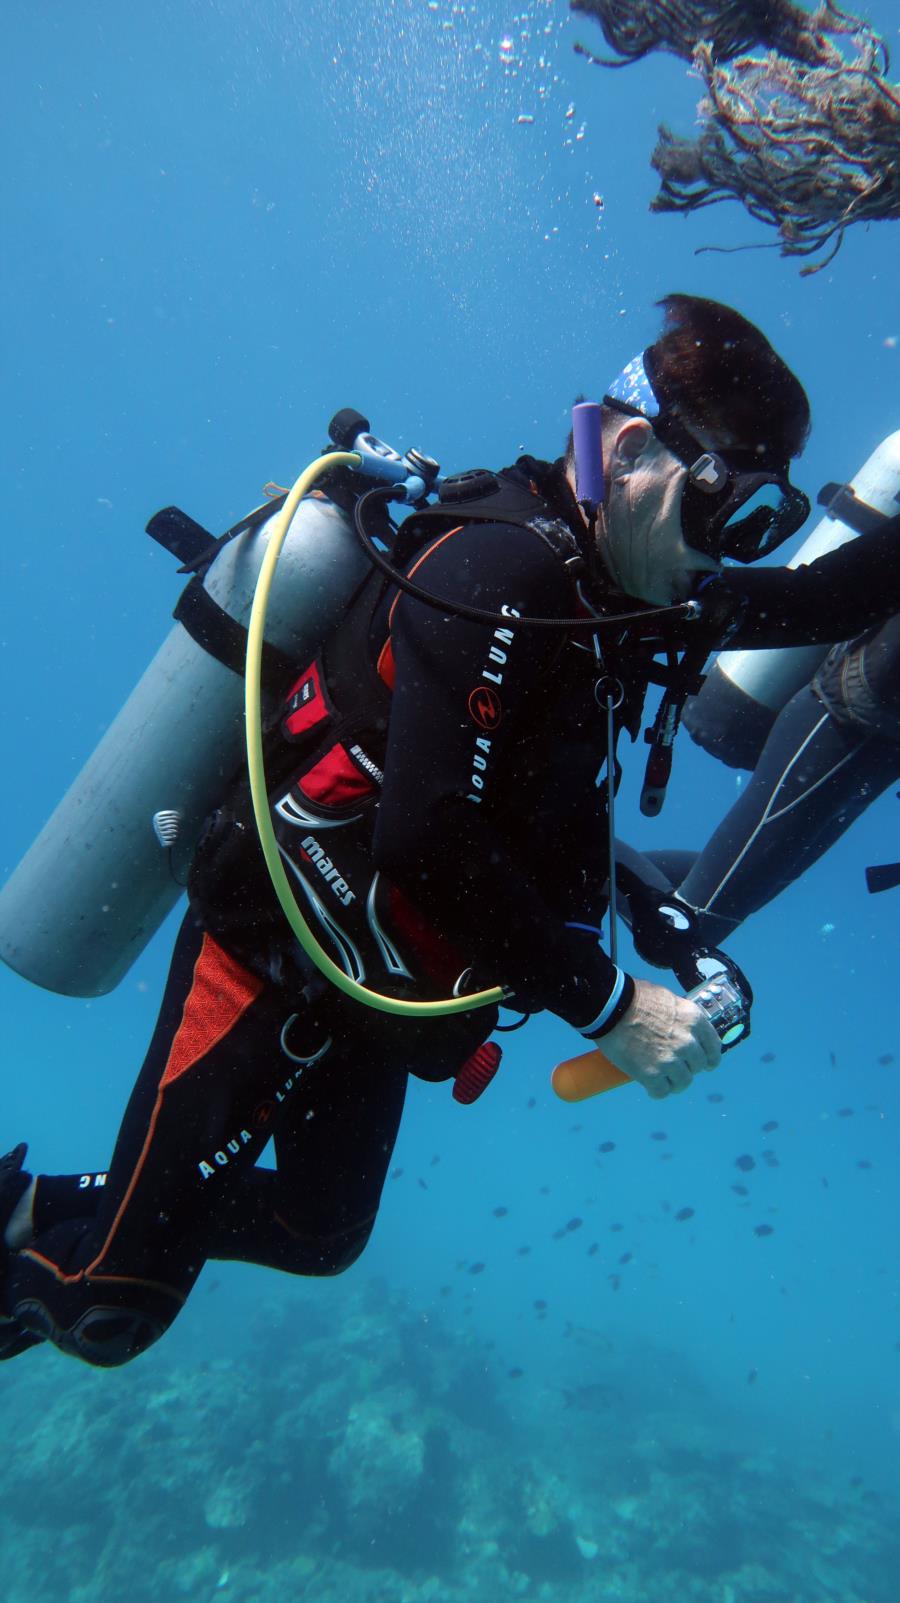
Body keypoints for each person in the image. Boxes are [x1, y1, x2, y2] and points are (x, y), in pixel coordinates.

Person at [5, 292, 900, 1369]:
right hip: (277, 952)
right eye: (724, 514)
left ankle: (57, 1204)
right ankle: (86, 1245)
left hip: (384, 979)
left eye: (759, 527)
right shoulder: (498, 574)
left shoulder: (631, 588)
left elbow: (821, 605)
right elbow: (425, 834)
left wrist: (660, 927)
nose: (729, 556)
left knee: (319, 1230)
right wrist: (612, 1006)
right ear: (628, 452)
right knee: (114, 1306)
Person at [621, 613, 900, 958]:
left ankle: (576, 872)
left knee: (718, 903)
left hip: (881, 751)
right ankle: (568, 866)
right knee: (682, 934)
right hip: (847, 722)